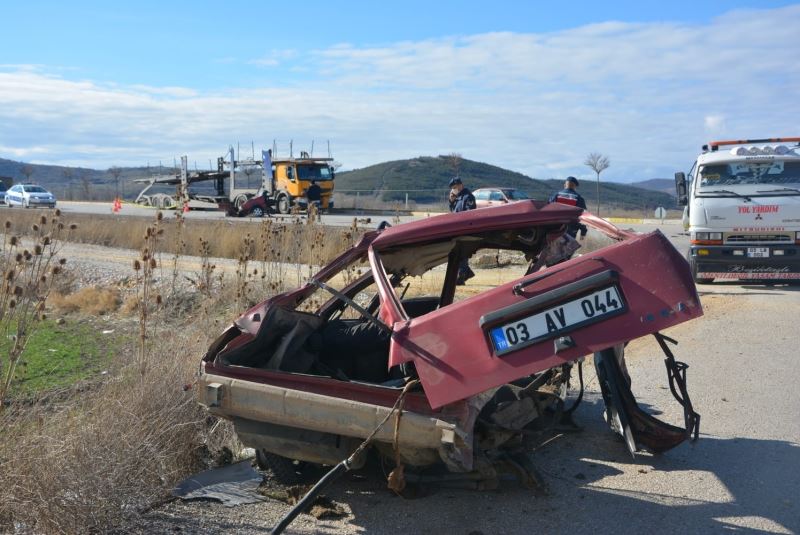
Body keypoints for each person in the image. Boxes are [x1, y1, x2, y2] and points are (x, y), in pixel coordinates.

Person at [447, 177, 477, 284]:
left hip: (465, 229)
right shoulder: (458, 198)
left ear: (460, 185)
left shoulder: (468, 197)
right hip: (457, 229)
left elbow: (470, 214)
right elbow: (453, 212)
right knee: (458, 252)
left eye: (455, 187)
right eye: (452, 188)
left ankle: (462, 275)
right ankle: (465, 273)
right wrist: (451, 201)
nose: (454, 190)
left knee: (461, 252)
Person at [548, 176, 588, 240]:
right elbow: (583, 217)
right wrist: (583, 232)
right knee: (567, 249)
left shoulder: (556, 196)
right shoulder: (579, 198)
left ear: (565, 185)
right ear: (575, 186)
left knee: (553, 248)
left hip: (555, 229)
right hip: (571, 231)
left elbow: (548, 212)